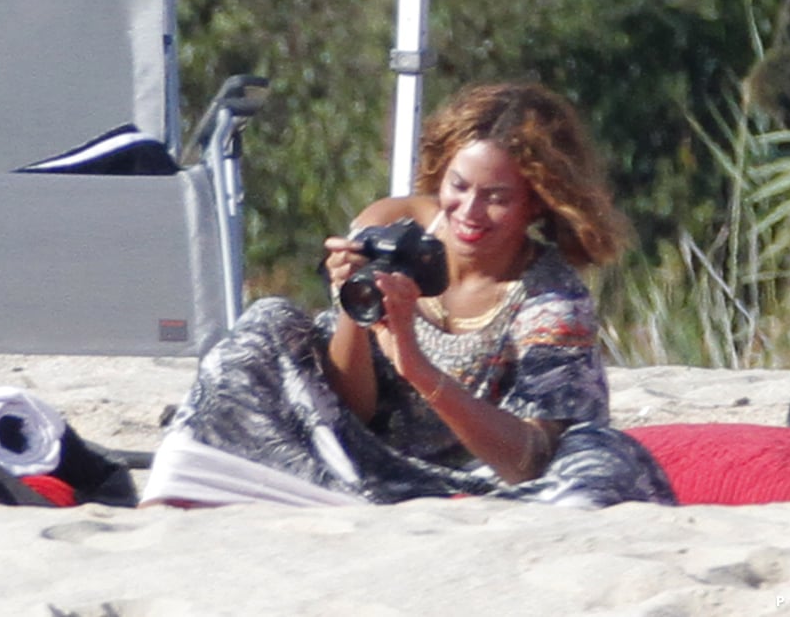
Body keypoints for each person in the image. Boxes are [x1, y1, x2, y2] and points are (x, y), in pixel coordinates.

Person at [140, 82, 675, 508]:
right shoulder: (390, 227)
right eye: (459, 186)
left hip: (486, 480)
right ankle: (176, 494)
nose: (468, 212)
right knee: (268, 323)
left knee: (602, 454)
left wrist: (416, 364)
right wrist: (356, 303)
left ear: (537, 204)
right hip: (354, 455)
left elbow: (527, 460)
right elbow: (353, 407)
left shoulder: (550, 302)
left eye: (497, 198)